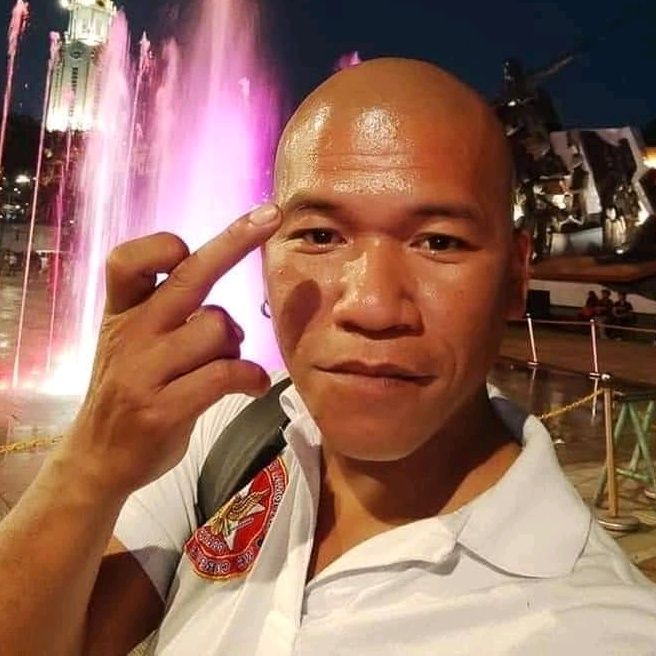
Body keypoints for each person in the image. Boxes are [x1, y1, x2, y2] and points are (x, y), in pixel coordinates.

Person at [1, 58, 655, 656]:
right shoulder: (230, 438)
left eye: (439, 242)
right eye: (319, 235)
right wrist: (94, 457)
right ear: (265, 261)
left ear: (516, 278)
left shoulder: (599, 626)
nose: (372, 306)